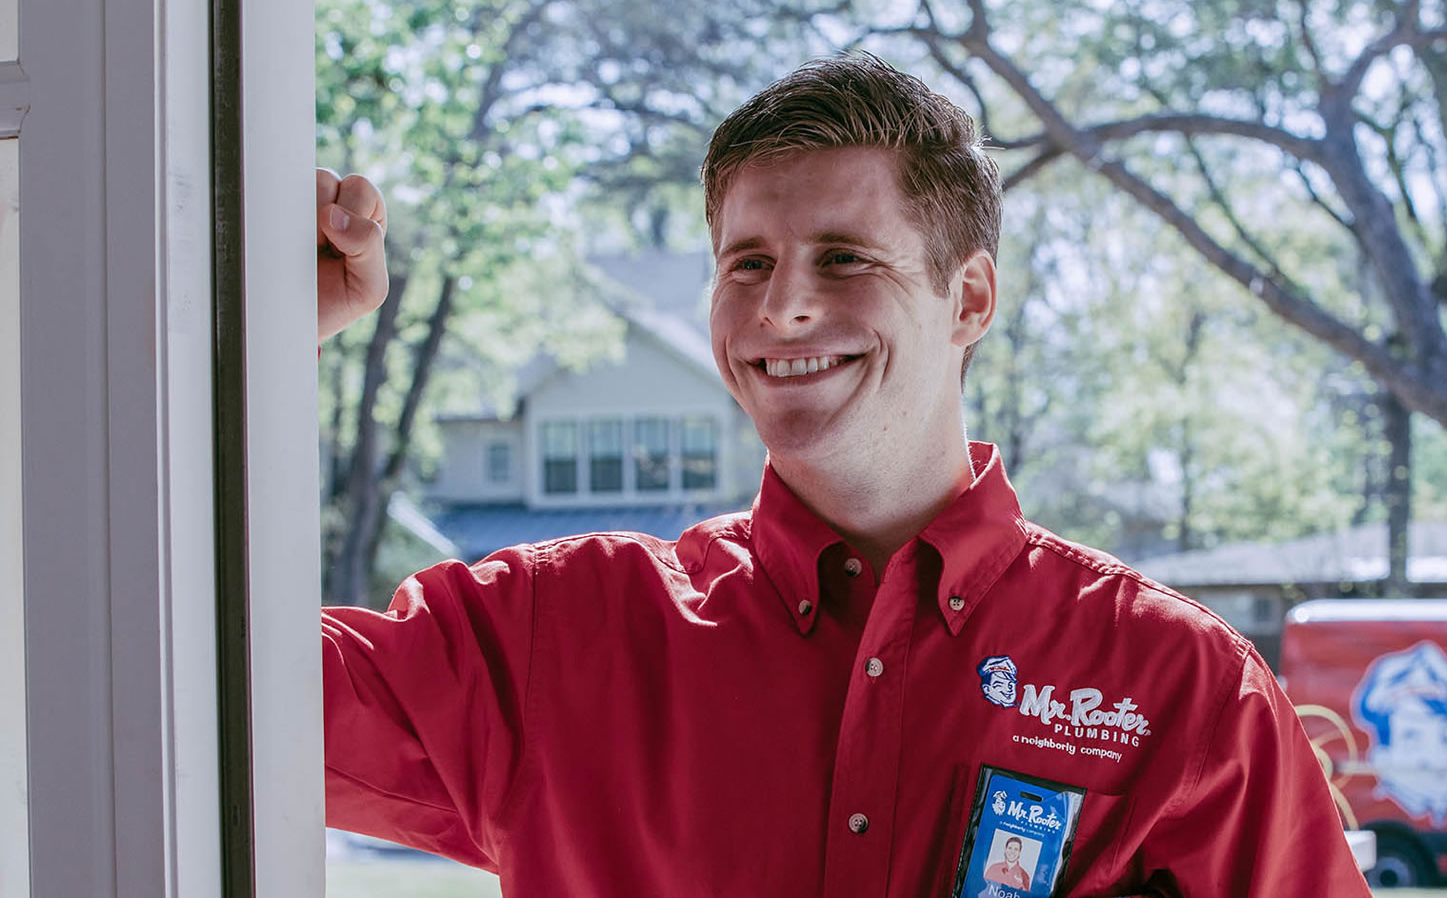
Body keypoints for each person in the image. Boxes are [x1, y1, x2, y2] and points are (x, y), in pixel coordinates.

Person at [318, 52, 1371, 897]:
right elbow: (201, 692)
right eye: (749, 263)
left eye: (843, 257)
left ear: (969, 300)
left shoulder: (1183, 691)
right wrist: (254, 346)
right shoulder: (558, 634)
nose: (783, 308)